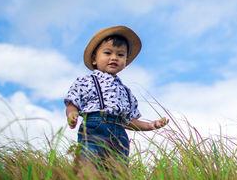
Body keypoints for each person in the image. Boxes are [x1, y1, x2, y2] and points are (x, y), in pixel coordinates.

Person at [64, 26, 168, 169]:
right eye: (107, 53)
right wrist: (72, 114)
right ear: (94, 58)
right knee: (88, 165)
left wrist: (150, 125)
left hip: (119, 135)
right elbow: (73, 103)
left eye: (120, 55)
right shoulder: (86, 81)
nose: (114, 57)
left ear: (125, 62)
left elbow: (129, 121)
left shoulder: (126, 92)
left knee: (118, 173)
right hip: (94, 128)